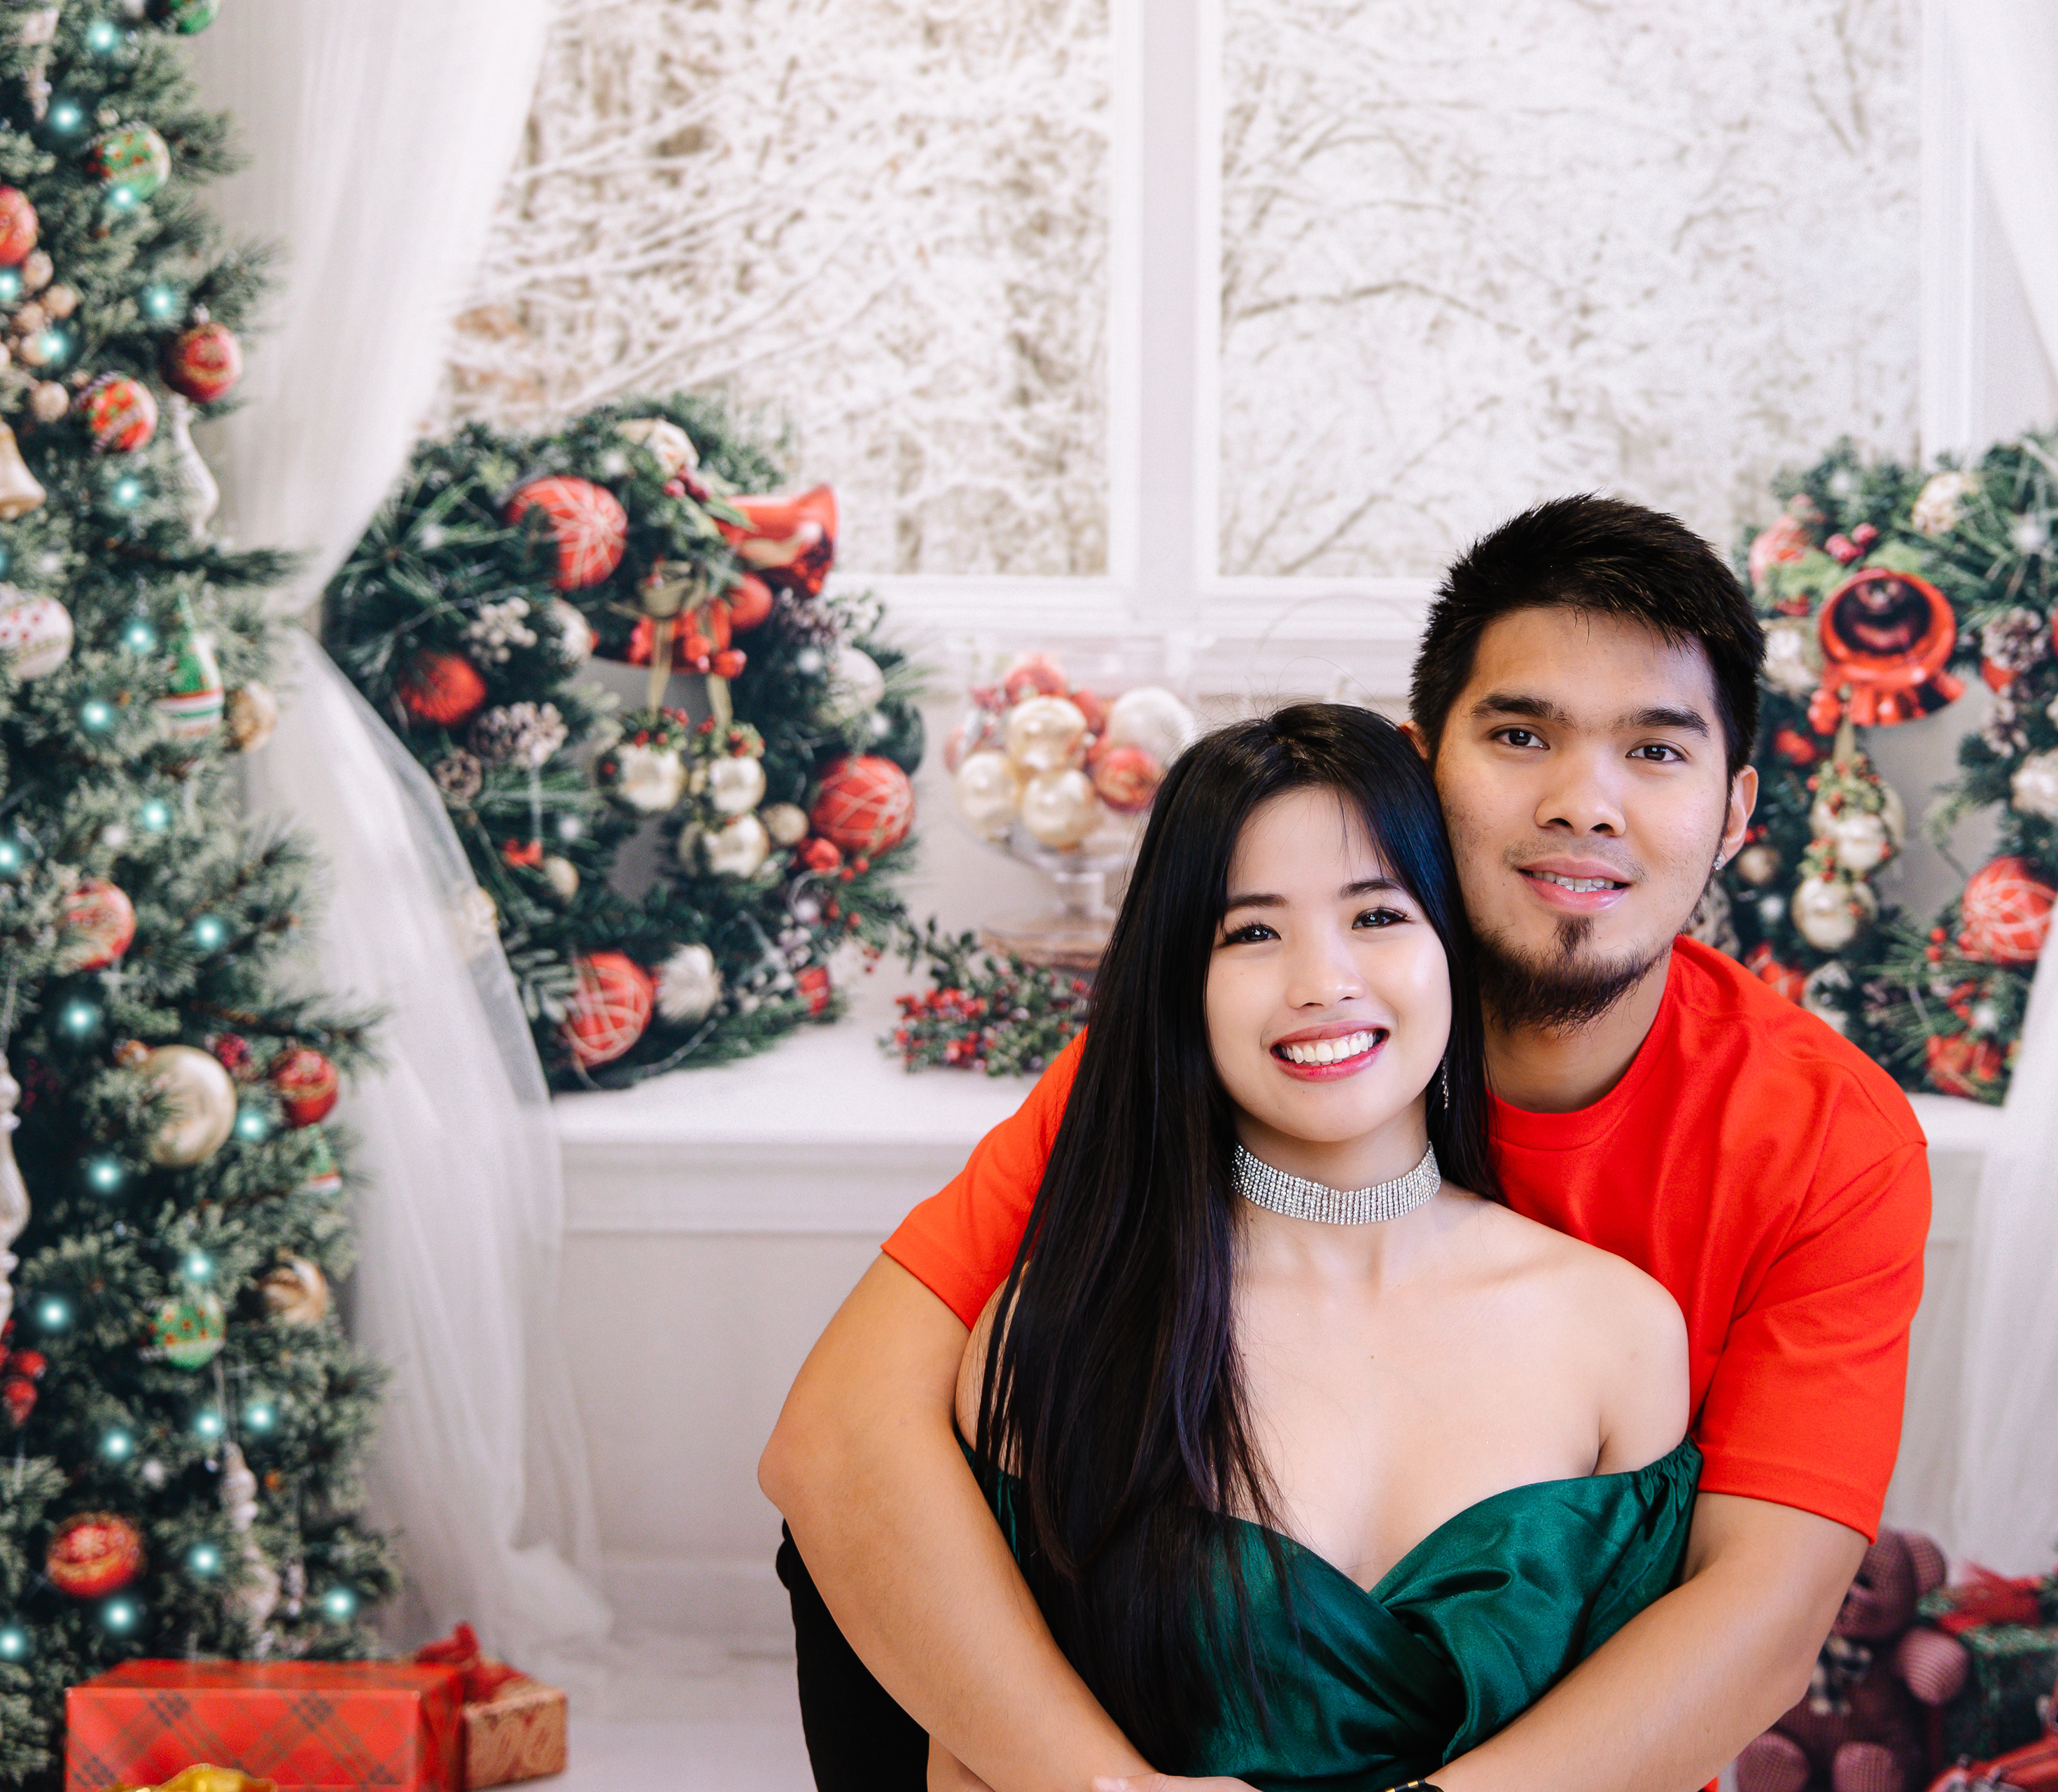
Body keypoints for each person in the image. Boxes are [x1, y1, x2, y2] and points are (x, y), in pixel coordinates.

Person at [763, 495, 1932, 1792]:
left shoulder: (1823, 1138)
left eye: (1656, 751)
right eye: (1522, 735)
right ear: (1420, 766)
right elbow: (842, 1442)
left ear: (1736, 810)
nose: (1584, 804)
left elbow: (1763, 1609)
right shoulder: (1241, 1045)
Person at [934, 702, 1695, 1791]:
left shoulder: (1620, 1333)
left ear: (1453, 946)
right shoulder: (1055, 1337)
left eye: (1377, 914)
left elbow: (1645, 1752)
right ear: (1180, 986)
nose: (1322, 982)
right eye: (1252, 933)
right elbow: (970, 1763)